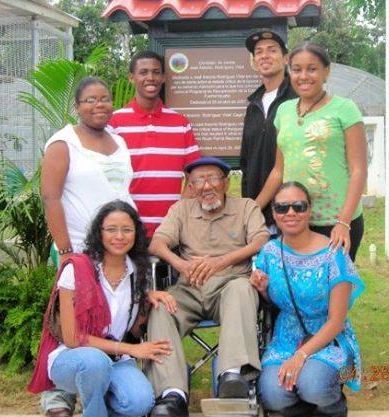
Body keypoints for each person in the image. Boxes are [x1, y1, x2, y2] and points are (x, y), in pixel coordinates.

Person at [40, 76, 135, 417]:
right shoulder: (64, 142)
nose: (99, 105)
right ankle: (57, 396)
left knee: (105, 320)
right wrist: (66, 251)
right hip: (78, 249)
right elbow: (50, 196)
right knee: (68, 324)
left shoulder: (119, 142)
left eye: (105, 99)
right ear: (77, 106)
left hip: (115, 247)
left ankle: (102, 384)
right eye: (91, 100)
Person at [146, 156, 270, 417]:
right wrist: (181, 265)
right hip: (189, 288)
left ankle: (231, 375)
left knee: (241, 289)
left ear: (226, 183)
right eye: (198, 181)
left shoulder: (246, 207)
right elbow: (157, 245)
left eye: (213, 178)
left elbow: (261, 240)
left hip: (230, 285)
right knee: (160, 308)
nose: (206, 186)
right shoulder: (181, 210)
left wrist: (222, 261)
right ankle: (172, 394)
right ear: (190, 187)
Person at [28, 200, 173, 417]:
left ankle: (99, 396)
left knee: (140, 403)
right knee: (95, 363)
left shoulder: (138, 274)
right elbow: (73, 339)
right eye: (111, 229)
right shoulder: (77, 270)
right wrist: (132, 350)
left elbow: (133, 331)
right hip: (73, 360)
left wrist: (145, 300)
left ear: (136, 234)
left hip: (114, 360)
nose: (119, 236)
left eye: (127, 230)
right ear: (99, 232)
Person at [250, 182, 364, 417]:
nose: (290, 213)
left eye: (298, 206)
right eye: (282, 208)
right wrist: (262, 289)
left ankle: (331, 407)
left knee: (314, 386)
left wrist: (301, 356)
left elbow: (337, 321)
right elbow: (271, 304)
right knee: (273, 396)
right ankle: (304, 409)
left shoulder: (334, 253)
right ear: (274, 213)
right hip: (285, 339)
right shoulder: (270, 253)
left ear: (309, 210)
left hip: (327, 338)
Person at [255, 42, 368, 261]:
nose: (303, 76)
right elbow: (279, 170)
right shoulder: (284, 111)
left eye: (312, 69)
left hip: (336, 223)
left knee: (335, 289)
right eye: (297, 70)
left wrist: (343, 223)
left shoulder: (344, 109)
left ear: (326, 71)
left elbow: (359, 170)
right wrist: (252, 209)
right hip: (295, 219)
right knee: (300, 290)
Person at [108, 50, 201, 238]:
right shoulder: (114, 123)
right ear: (132, 78)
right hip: (127, 231)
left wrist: (177, 218)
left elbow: (195, 175)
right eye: (143, 72)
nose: (150, 77)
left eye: (156, 72)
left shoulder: (180, 123)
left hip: (172, 231)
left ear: (163, 77)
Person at [240, 29, 296, 230]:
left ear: (286, 58)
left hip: (293, 210)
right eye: (259, 52)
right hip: (259, 215)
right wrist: (249, 207)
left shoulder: (297, 99)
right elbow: (246, 161)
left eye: (272, 50)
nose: (264, 56)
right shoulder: (253, 105)